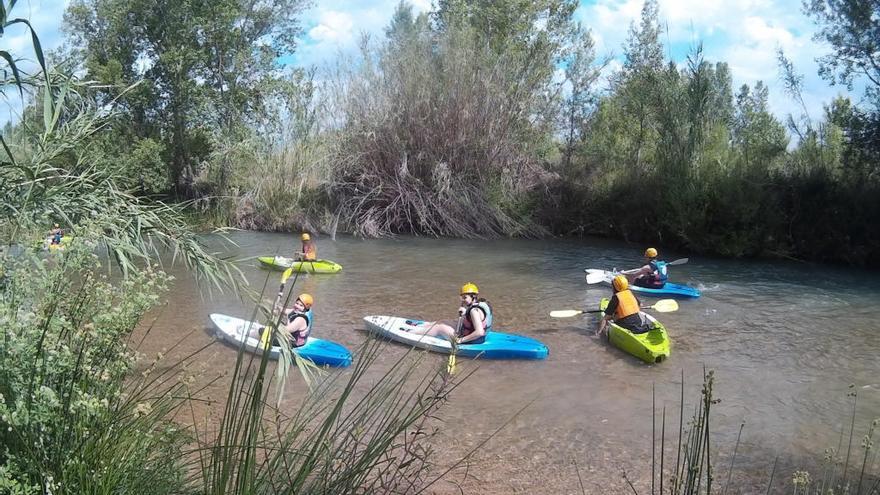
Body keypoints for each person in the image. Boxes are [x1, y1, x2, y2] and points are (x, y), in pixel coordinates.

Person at [406, 283, 493, 345]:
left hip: (472, 340)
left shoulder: (474, 311)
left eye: (465, 297)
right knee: (443, 321)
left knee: (440, 327)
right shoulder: (481, 303)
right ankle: (420, 325)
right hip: (472, 334)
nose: (463, 300)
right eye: (462, 297)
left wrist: (460, 340)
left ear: (473, 296)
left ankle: (411, 332)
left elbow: (480, 332)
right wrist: (465, 313)